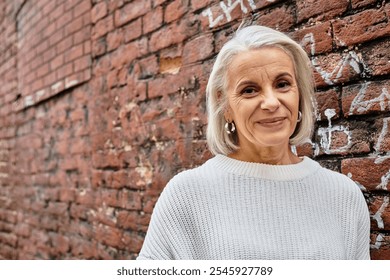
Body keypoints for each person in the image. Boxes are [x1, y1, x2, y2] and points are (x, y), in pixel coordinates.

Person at [137, 25, 370, 260]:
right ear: (225, 106)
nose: (271, 102)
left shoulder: (344, 195)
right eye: (249, 90)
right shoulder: (186, 195)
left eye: (282, 84)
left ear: (298, 94)